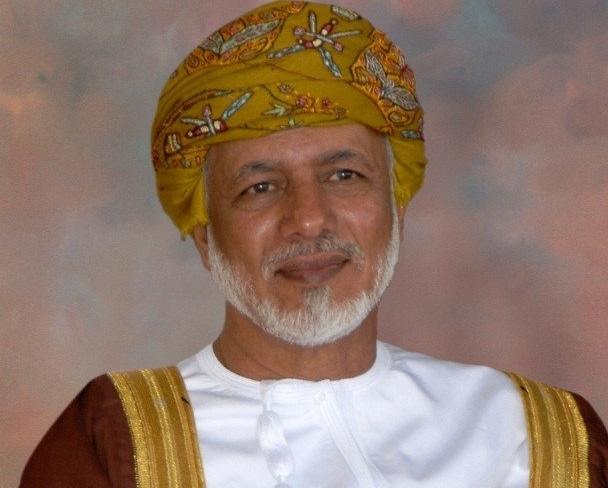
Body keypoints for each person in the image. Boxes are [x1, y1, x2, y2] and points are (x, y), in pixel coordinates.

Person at [20, 1, 608, 487]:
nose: (306, 219)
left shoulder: (535, 438)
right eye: (259, 187)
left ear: (396, 209)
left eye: (343, 175)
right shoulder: (116, 443)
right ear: (205, 236)